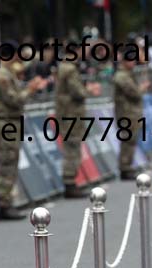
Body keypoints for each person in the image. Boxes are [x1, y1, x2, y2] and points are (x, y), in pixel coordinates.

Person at [0, 45, 47, 219]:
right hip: (6, 122)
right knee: (7, 162)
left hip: (11, 121)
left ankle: (7, 200)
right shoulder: (0, 73)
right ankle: (4, 202)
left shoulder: (5, 71)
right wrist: (30, 89)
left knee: (11, 161)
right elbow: (13, 99)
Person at [55, 49, 101, 198]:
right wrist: (89, 90)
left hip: (69, 114)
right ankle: (69, 182)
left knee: (72, 147)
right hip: (71, 115)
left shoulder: (65, 67)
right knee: (72, 148)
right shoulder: (69, 69)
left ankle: (70, 181)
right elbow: (77, 92)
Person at [113, 52, 149, 179]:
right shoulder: (121, 76)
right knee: (127, 140)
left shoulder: (128, 74)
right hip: (126, 113)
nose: (133, 63)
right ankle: (125, 167)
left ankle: (127, 165)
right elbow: (133, 92)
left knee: (131, 140)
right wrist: (142, 88)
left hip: (132, 113)